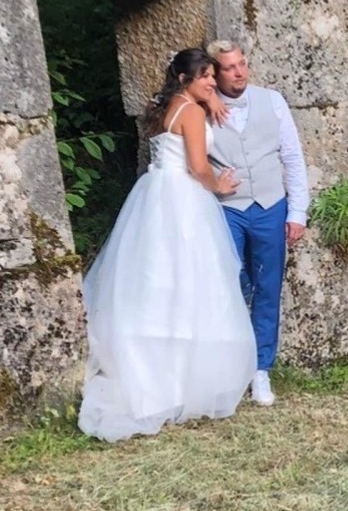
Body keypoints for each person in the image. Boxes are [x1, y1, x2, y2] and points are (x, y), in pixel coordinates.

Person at [78, 49, 256, 442]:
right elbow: (197, 165)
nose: (213, 82)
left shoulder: (165, 108)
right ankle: (182, 383)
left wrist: (208, 100)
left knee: (156, 283)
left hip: (154, 193)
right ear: (183, 79)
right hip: (183, 197)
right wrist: (219, 186)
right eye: (206, 76)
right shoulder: (191, 113)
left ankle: (158, 376)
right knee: (191, 282)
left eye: (213, 75)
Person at [204, 40, 310, 407]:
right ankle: (231, 367)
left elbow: (293, 158)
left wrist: (298, 212)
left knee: (267, 286)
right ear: (213, 73)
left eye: (243, 64)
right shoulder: (200, 107)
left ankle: (261, 369)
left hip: (270, 205)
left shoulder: (272, 101)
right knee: (231, 285)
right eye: (230, 68)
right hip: (226, 208)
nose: (240, 72)